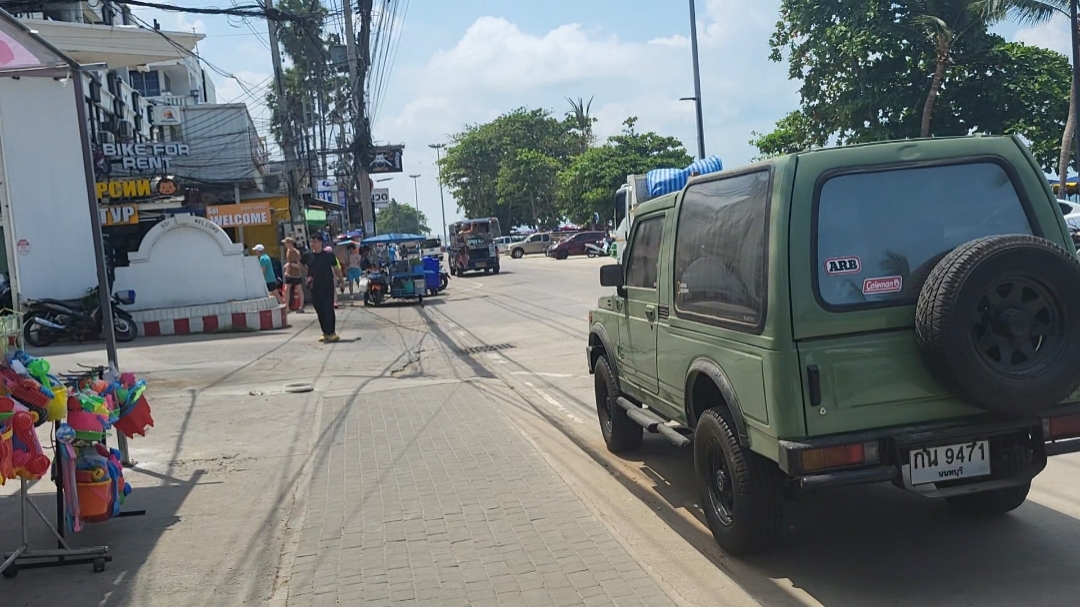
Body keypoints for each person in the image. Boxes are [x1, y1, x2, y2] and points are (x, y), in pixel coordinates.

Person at [305, 233, 342, 342]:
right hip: (315, 288)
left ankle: (332, 332)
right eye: (311, 242)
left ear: (321, 242)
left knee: (328, 309)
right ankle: (325, 332)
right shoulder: (308, 256)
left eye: (315, 241)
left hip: (327, 286)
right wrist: (307, 273)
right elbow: (300, 264)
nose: (313, 244)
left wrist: (341, 280)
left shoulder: (328, 255)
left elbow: (336, 268)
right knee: (319, 309)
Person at [281, 237, 305, 313]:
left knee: (299, 290)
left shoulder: (296, 253)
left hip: (296, 275)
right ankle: (287, 307)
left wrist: (291, 264)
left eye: (286, 243)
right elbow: (288, 261)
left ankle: (301, 307)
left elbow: (299, 265)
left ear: (289, 243)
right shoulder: (288, 251)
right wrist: (287, 266)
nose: (285, 244)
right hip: (289, 274)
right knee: (286, 290)